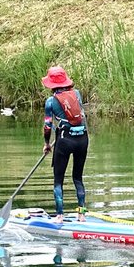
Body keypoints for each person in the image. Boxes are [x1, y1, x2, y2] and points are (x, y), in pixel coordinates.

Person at [41, 65, 88, 223]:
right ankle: (81, 215)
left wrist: (47, 144)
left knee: (58, 180)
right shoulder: (77, 94)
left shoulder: (50, 101)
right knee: (78, 178)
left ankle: (60, 215)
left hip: (64, 140)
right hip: (82, 139)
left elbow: (48, 126)